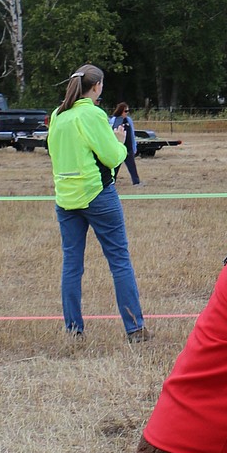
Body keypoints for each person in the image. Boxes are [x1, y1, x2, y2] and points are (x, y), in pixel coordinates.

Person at [47, 64, 150, 342]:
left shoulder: (58, 115)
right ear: (96, 87)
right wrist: (120, 141)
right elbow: (112, 157)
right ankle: (135, 328)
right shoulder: (91, 114)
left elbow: (54, 152)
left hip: (66, 198)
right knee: (119, 261)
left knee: (71, 264)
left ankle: (73, 329)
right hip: (97, 194)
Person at [111, 100, 142, 186]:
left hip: (128, 148)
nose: (127, 113)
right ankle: (112, 182)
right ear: (120, 111)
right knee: (115, 167)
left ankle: (136, 182)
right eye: (125, 111)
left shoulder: (129, 120)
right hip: (118, 148)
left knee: (132, 166)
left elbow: (132, 134)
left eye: (128, 111)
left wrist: (134, 146)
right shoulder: (113, 120)